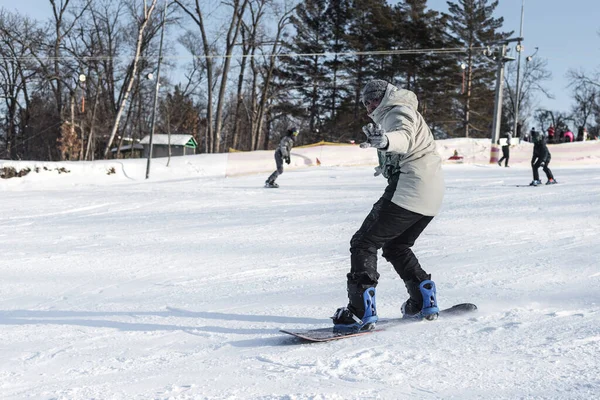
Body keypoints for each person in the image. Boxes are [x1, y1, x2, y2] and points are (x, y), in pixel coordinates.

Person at [331, 79, 444, 332]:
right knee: (396, 246)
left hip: (410, 188)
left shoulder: (398, 110)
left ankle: (359, 311)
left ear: (386, 96)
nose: (370, 105)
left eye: (374, 99)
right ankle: (422, 299)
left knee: (363, 242)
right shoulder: (397, 111)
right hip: (430, 195)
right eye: (366, 101)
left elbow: (402, 137)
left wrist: (384, 142)